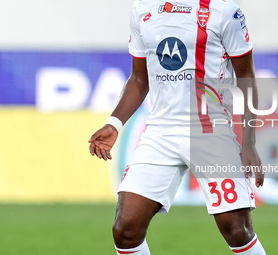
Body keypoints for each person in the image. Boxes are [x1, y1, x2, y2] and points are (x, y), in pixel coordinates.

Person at [89, 0, 266, 254]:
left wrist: (249, 142)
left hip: (210, 131)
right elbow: (139, 78)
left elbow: (246, 75)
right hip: (160, 131)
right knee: (125, 229)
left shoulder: (225, 11)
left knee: (238, 231)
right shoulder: (143, 9)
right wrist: (114, 123)